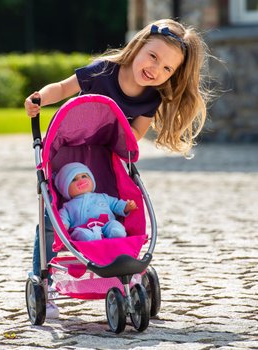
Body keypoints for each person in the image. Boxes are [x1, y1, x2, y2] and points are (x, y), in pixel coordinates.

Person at [25, 19, 212, 318]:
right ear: (138, 46)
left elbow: (133, 136)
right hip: (69, 155)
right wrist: (40, 99)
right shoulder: (103, 71)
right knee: (50, 220)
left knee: (122, 210)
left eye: (167, 69)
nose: (156, 70)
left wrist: (119, 132)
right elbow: (63, 87)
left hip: (106, 161)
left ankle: (120, 260)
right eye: (153, 57)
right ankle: (43, 280)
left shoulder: (151, 97)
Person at [55, 162, 137, 241]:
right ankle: (90, 238)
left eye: (84, 176)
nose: (81, 180)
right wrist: (63, 225)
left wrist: (126, 207)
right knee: (80, 233)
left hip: (105, 225)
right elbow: (63, 218)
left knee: (114, 225)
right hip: (83, 228)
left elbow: (115, 204)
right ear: (65, 189)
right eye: (73, 179)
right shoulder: (68, 206)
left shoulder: (103, 197)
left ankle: (116, 233)